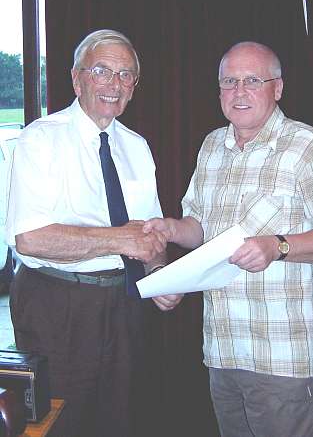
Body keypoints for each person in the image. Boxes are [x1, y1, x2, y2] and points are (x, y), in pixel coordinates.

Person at [144, 42, 313, 437]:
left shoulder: (309, 146)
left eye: (252, 80)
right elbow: (200, 227)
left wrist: (278, 246)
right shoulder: (212, 147)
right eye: (229, 81)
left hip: (284, 357)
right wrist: (174, 228)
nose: (239, 91)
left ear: (277, 88)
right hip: (223, 351)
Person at [5, 29, 182, 437]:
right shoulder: (40, 139)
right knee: (62, 423)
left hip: (124, 303)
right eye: (102, 70)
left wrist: (160, 276)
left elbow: (150, 236)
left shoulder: (137, 147)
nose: (114, 84)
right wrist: (120, 238)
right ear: (76, 79)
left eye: (126, 75)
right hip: (57, 304)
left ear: (135, 87)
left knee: (120, 418)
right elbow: (30, 238)